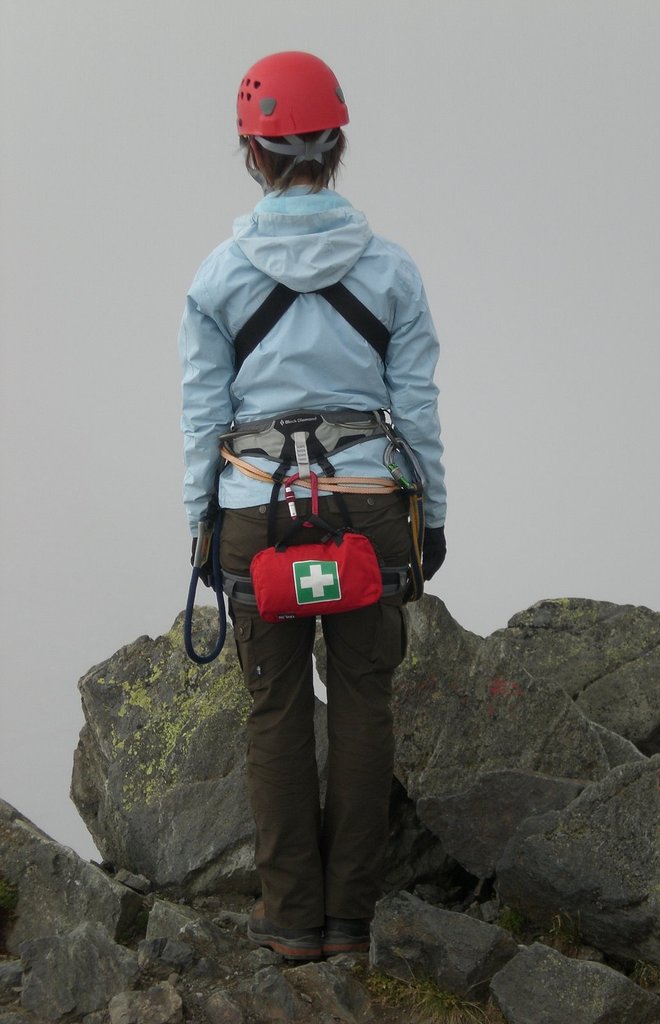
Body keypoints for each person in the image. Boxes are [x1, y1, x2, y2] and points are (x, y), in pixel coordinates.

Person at [179, 50, 446, 961]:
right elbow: (417, 409)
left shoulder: (217, 278)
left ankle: (290, 918)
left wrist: (201, 522)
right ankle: (350, 920)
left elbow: (202, 418)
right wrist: (432, 516)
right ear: (337, 146)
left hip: (255, 512)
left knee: (275, 710)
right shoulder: (392, 272)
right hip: (369, 507)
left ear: (251, 152)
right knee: (365, 701)